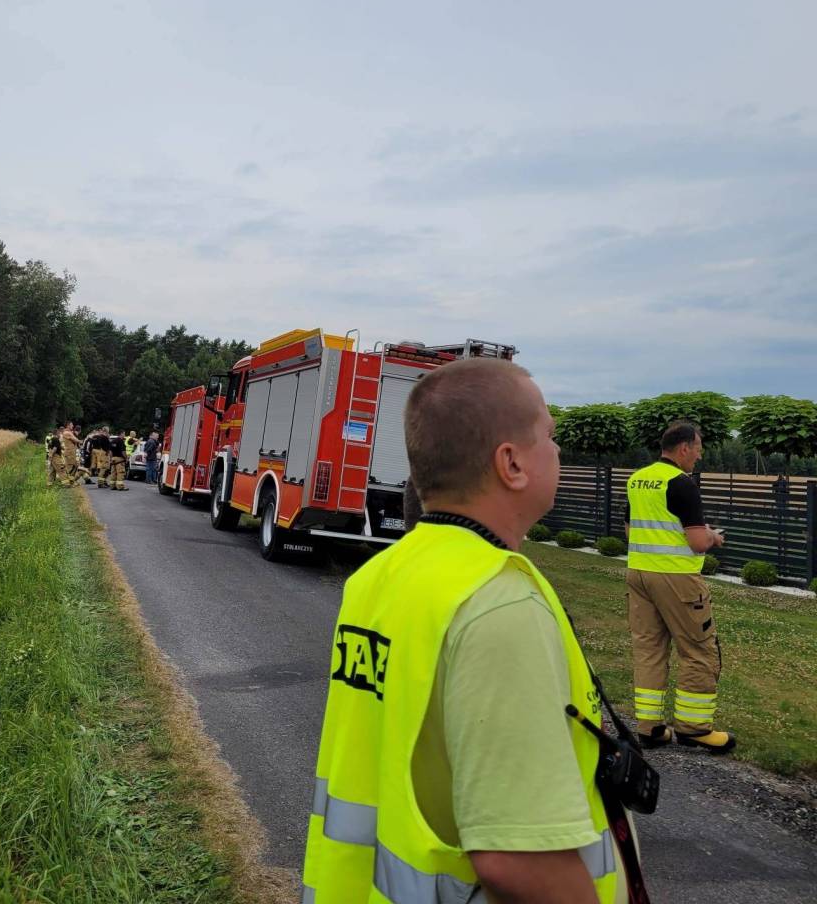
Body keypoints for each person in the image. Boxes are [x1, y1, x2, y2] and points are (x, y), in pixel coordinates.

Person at [303, 359, 643, 904]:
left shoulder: (378, 577)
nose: (558, 450)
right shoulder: (497, 603)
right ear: (511, 463)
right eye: (549, 435)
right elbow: (517, 861)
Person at [624, 421, 735, 754]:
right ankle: (694, 728)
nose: (699, 456)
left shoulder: (637, 480)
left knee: (649, 650)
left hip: (638, 574)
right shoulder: (682, 484)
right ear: (684, 448)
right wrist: (713, 537)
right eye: (698, 449)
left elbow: (630, 531)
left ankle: (650, 729)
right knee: (699, 650)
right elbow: (698, 543)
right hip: (677, 580)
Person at [60, 422, 81, 486]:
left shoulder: (70, 432)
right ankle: (68, 483)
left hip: (72, 452)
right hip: (69, 453)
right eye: (72, 425)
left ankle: (72, 481)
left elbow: (76, 439)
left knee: (75, 466)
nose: (73, 426)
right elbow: (75, 440)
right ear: (68, 425)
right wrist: (80, 441)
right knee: (70, 467)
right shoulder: (66, 433)